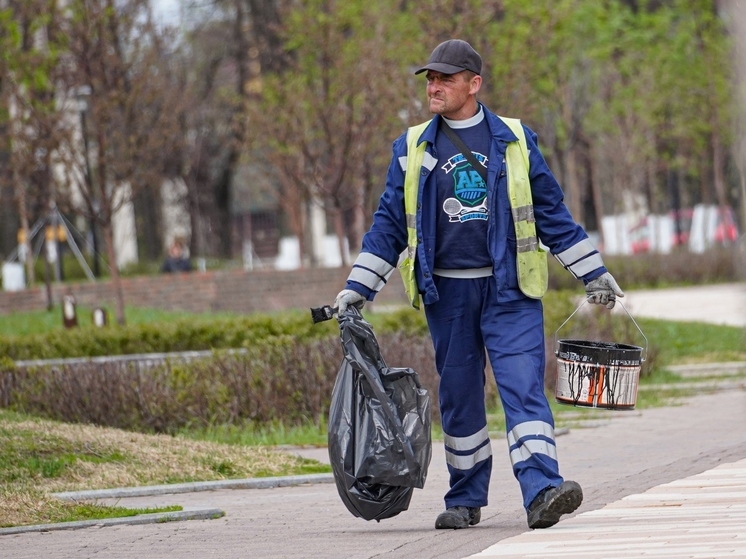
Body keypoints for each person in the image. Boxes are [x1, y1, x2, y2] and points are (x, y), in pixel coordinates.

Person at [334, 39, 624, 530]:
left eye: (445, 78)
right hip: (447, 295)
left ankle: (542, 492)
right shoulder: (412, 148)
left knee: (524, 388)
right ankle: (465, 499)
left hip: (509, 291)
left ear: (474, 84)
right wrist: (358, 288)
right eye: (430, 78)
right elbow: (387, 225)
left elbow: (551, 215)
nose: (434, 86)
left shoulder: (514, 141)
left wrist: (593, 272)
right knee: (460, 397)